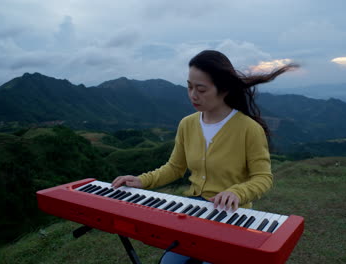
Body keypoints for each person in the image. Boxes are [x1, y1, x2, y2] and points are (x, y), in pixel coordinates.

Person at [111, 50, 298, 264]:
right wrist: (142, 180)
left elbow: (263, 177)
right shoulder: (187, 124)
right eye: (189, 87)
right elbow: (175, 167)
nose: (193, 95)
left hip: (232, 215)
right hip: (193, 210)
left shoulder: (249, 129)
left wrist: (237, 192)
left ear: (224, 89)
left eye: (201, 89)